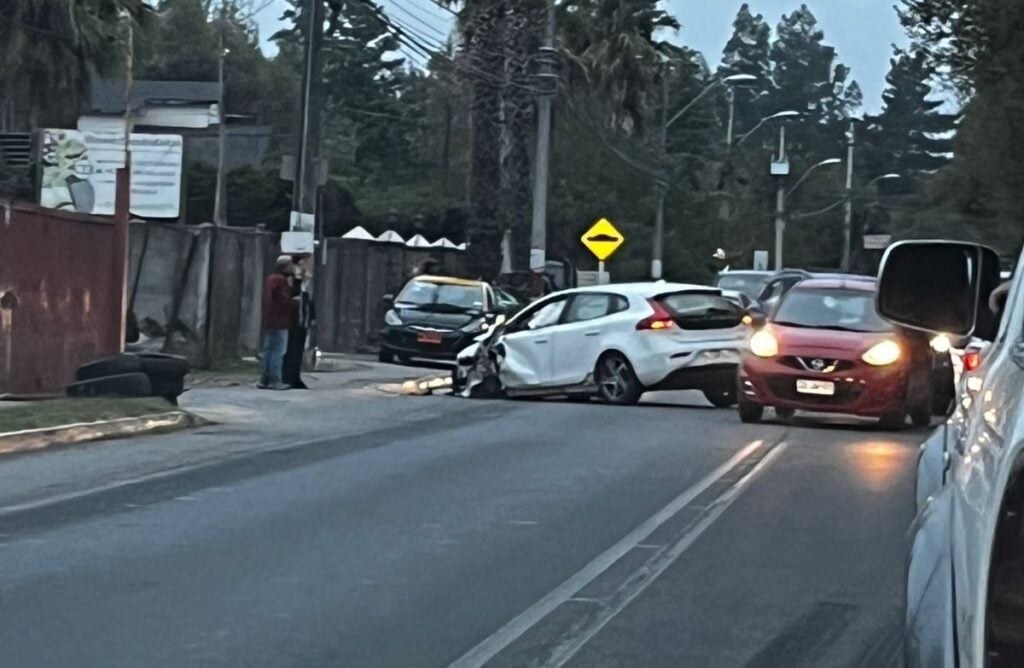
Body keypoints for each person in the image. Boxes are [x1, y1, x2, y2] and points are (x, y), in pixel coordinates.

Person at [259, 256, 294, 389]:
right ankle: (274, 380)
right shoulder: (281, 280)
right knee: (278, 350)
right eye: (290, 265)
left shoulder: (270, 279)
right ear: (285, 266)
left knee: (268, 350)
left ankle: (264, 379)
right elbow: (284, 300)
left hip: (269, 319)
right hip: (280, 320)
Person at [282, 257, 316, 389]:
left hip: (303, 321)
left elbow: (308, 302)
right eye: (303, 265)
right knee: (290, 349)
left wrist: (312, 317)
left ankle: (295, 376)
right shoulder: (293, 283)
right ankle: (287, 376)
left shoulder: (304, 286)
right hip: (293, 321)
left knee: (298, 350)